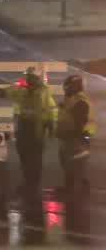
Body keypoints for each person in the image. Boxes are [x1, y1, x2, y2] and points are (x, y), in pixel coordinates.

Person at [0, 67, 57, 200]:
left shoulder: (44, 92)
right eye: (27, 76)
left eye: (30, 77)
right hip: (24, 129)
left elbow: (50, 112)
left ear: (36, 78)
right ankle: (28, 183)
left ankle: (32, 186)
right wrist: (1, 91)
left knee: (34, 160)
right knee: (24, 157)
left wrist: (50, 127)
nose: (27, 79)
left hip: (36, 130)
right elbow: (10, 93)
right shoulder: (23, 90)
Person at [57, 74, 94, 203]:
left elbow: (80, 122)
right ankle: (71, 191)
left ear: (75, 87)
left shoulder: (80, 101)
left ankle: (77, 196)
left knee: (74, 166)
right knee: (68, 164)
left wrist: (74, 135)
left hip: (75, 138)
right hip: (69, 137)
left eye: (67, 86)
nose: (65, 88)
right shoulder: (72, 99)